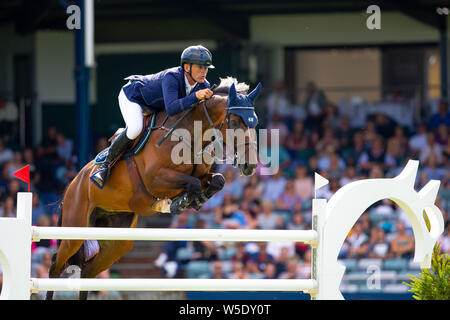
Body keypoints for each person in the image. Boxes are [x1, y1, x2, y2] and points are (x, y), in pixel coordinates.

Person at [91, 45, 215, 189]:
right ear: (187, 67)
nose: (204, 71)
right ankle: (105, 166)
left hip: (155, 107)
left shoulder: (203, 85)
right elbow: (172, 108)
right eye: (200, 67)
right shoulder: (172, 77)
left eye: (206, 68)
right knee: (135, 129)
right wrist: (195, 96)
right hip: (134, 97)